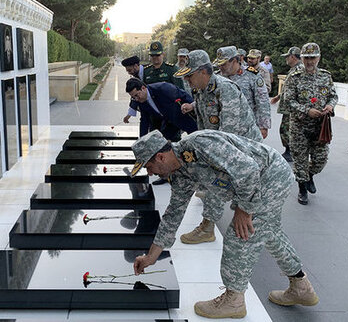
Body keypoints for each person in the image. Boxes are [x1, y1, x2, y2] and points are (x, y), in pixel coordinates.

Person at [131, 130, 319, 319]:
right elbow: (173, 214)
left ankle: (234, 301)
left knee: (240, 235)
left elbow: (248, 169)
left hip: (269, 176)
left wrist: (244, 209)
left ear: (160, 157)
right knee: (270, 232)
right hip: (257, 183)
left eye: (149, 167)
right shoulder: (181, 172)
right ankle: (300, 286)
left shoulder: (200, 144)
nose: (150, 173)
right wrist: (151, 256)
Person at [174, 49, 262, 245]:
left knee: (216, 177)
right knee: (215, 180)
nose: (187, 79)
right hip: (225, 142)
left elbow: (226, 137)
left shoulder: (225, 88)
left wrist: (208, 158)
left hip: (244, 147)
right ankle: (222, 223)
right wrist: (193, 107)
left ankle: (207, 228)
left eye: (190, 75)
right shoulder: (202, 89)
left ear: (203, 72)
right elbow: (208, 109)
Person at [284, 42, 338, 205]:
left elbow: (333, 96)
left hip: (320, 127)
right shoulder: (294, 77)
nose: (309, 61)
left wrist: (330, 105)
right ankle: (302, 189)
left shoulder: (325, 76)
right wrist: (306, 110)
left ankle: (309, 176)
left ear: (318, 58)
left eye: (312, 58)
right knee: (300, 159)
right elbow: (288, 100)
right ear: (301, 58)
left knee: (321, 159)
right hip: (299, 127)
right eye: (306, 58)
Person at [216, 46, 271, 139]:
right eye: (219, 65)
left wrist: (263, 126)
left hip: (247, 129)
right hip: (223, 129)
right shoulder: (217, 77)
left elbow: (262, 101)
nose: (220, 67)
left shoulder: (252, 75)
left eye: (223, 64)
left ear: (234, 61)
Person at [125, 78, 197, 141]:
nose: (136, 99)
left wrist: (193, 107)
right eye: (133, 97)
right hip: (168, 124)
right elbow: (144, 120)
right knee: (165, 146)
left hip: (184, 117)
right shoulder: (141, 102)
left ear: (143, 88)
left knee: (196, 138)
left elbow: (183, 95)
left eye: (137, 95)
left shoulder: (163, 88)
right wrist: (142, 139)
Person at [271, 47, 303, 162]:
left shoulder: (299, 69)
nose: (286, 59)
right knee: (286, 129)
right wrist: (279, 96)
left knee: (288, 129)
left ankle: (291, 152)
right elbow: (289, 87)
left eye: (287, 57)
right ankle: (290, 151)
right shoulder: (295, 69)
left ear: (293, 57)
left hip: (293, 108)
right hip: (290, 107)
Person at [121, 55, 144, 124]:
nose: (129, 73)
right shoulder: (135, 78)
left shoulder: (150, 72)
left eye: (130, 70)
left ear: (136, 66)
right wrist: (129, 115)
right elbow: (135, 96)